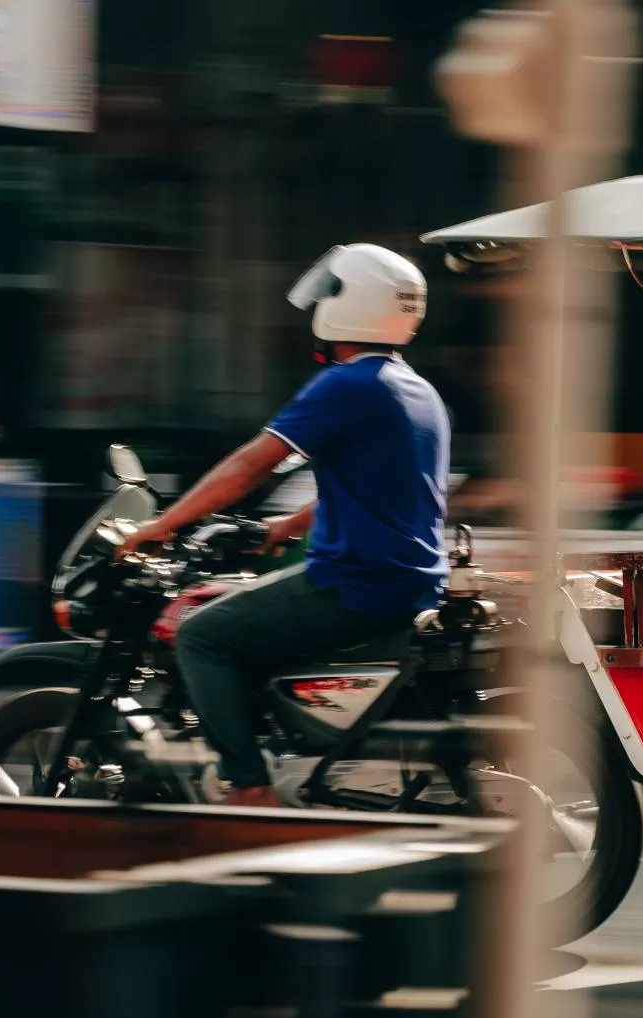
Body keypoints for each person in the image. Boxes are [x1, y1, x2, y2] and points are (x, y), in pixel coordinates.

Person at [114, 243, 450, 807]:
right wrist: (283, 528)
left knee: (201, 634)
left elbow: (250, 465)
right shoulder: (417, 389)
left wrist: (161, 525)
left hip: (355, 585)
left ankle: (249, 787)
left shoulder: (347, 385)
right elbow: (378, 489)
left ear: (347, 306)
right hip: (408, 580)